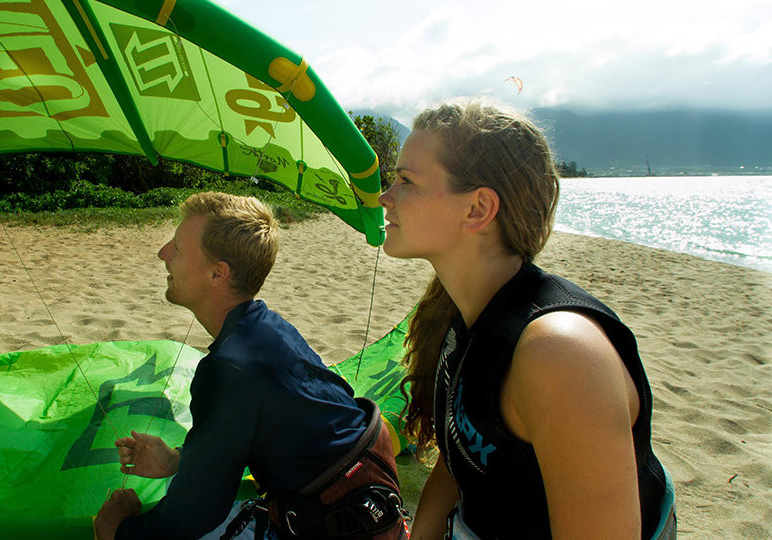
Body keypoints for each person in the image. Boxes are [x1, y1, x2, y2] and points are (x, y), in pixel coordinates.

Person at [378, 101, 675, 539]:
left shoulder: (559, 354)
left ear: (477, 209)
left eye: (406, 181)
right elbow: (459, 459)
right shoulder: (456, 313)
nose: (385, 196)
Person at [95, 192, 408, 540]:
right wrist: (180, 460)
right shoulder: (270, 328)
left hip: (341, 522)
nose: (163, 253)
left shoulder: (230, 369)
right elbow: (274, 430)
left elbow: (193, 517)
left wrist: (118, 531)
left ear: (218, 273)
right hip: (368, 505)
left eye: (178, 248)